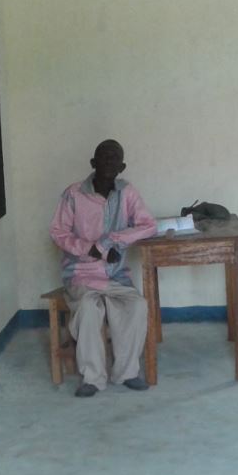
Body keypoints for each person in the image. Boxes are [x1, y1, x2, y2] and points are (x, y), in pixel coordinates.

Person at [49, 140, 158, 397]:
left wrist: (112, 241)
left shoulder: (127, 192)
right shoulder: (74, 194)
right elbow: (58, 233)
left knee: (136, 306)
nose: (109, 161)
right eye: (104, 157)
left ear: (122, 167)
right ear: (93, 163)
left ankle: (126, 373)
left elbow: (149, 226)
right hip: (81, 274)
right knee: (88, 310)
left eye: (114, 158)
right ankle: (92, 378)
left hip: (115, 275)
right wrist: (90, 249)